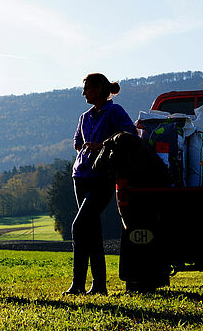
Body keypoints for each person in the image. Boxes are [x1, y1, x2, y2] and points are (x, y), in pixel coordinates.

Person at [64, 73, 138, 295]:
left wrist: (103, 146)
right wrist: (87, 150)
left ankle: (78, 283)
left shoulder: (115, 112)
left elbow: (130, 134)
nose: (83, 92)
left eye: (86, 88)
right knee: (91, 230)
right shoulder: (84, 116)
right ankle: (98, 285)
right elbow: (77, 143)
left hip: (102, 177)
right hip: (81, 176)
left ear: (98, 89)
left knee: (79, 227)